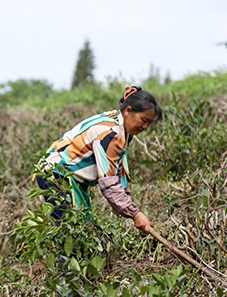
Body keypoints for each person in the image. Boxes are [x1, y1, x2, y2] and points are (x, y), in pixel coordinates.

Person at [35, 85, 161, 234]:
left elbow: (118, 171)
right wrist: (135, 214)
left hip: (73, 178)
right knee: (72, 232)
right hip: (57, 173)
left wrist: (131, 207)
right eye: (143, 120)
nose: (145, 127)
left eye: (149, 123)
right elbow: (109, 183)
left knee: (85, 230)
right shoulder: (110, 134)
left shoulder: (121, 128)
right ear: (128, 111)